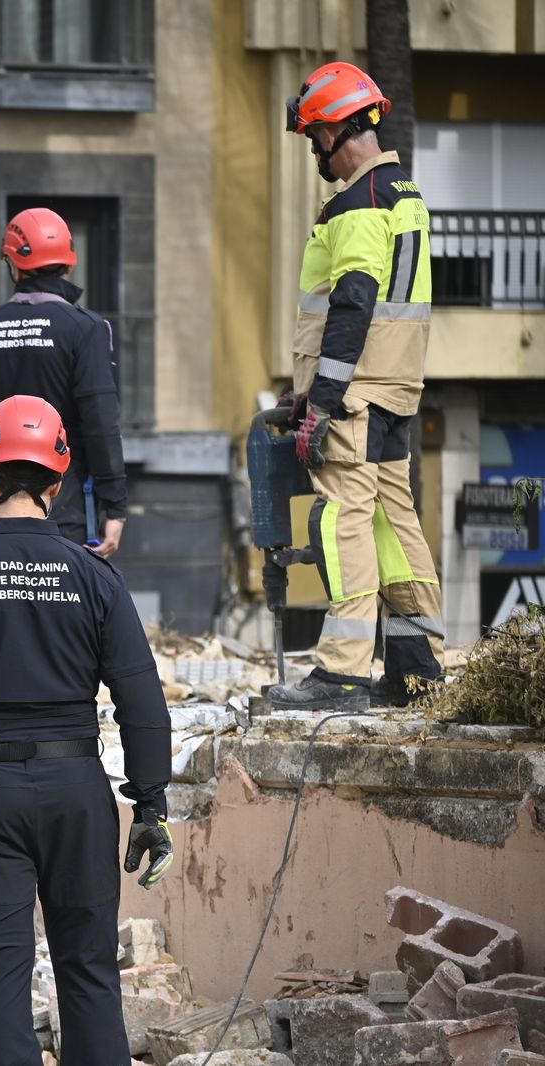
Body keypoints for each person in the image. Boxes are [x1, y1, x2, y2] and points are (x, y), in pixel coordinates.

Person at [0, 395, 173, 1065]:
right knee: (88, 966)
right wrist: (151, 804)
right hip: (78, 787)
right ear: (60, 479)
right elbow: (141, 698)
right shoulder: (95, 577)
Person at [268, 61, 444, 712]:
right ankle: (418, 671)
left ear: (339, 130)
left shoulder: (357, 203)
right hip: (394, 392)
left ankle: (341, 673)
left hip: (353, 399)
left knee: (344, 521)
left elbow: (353, 304)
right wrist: (310, 391)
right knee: (396, 528)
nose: (314, 149)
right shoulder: (404, 195)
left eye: (315, 135)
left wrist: (320, 402)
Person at [0, 207, 127, 556]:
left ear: (13, 264)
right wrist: (115, 505)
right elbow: (101, 420)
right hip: (64, 502)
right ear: (70, 263)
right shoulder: (83, 328)